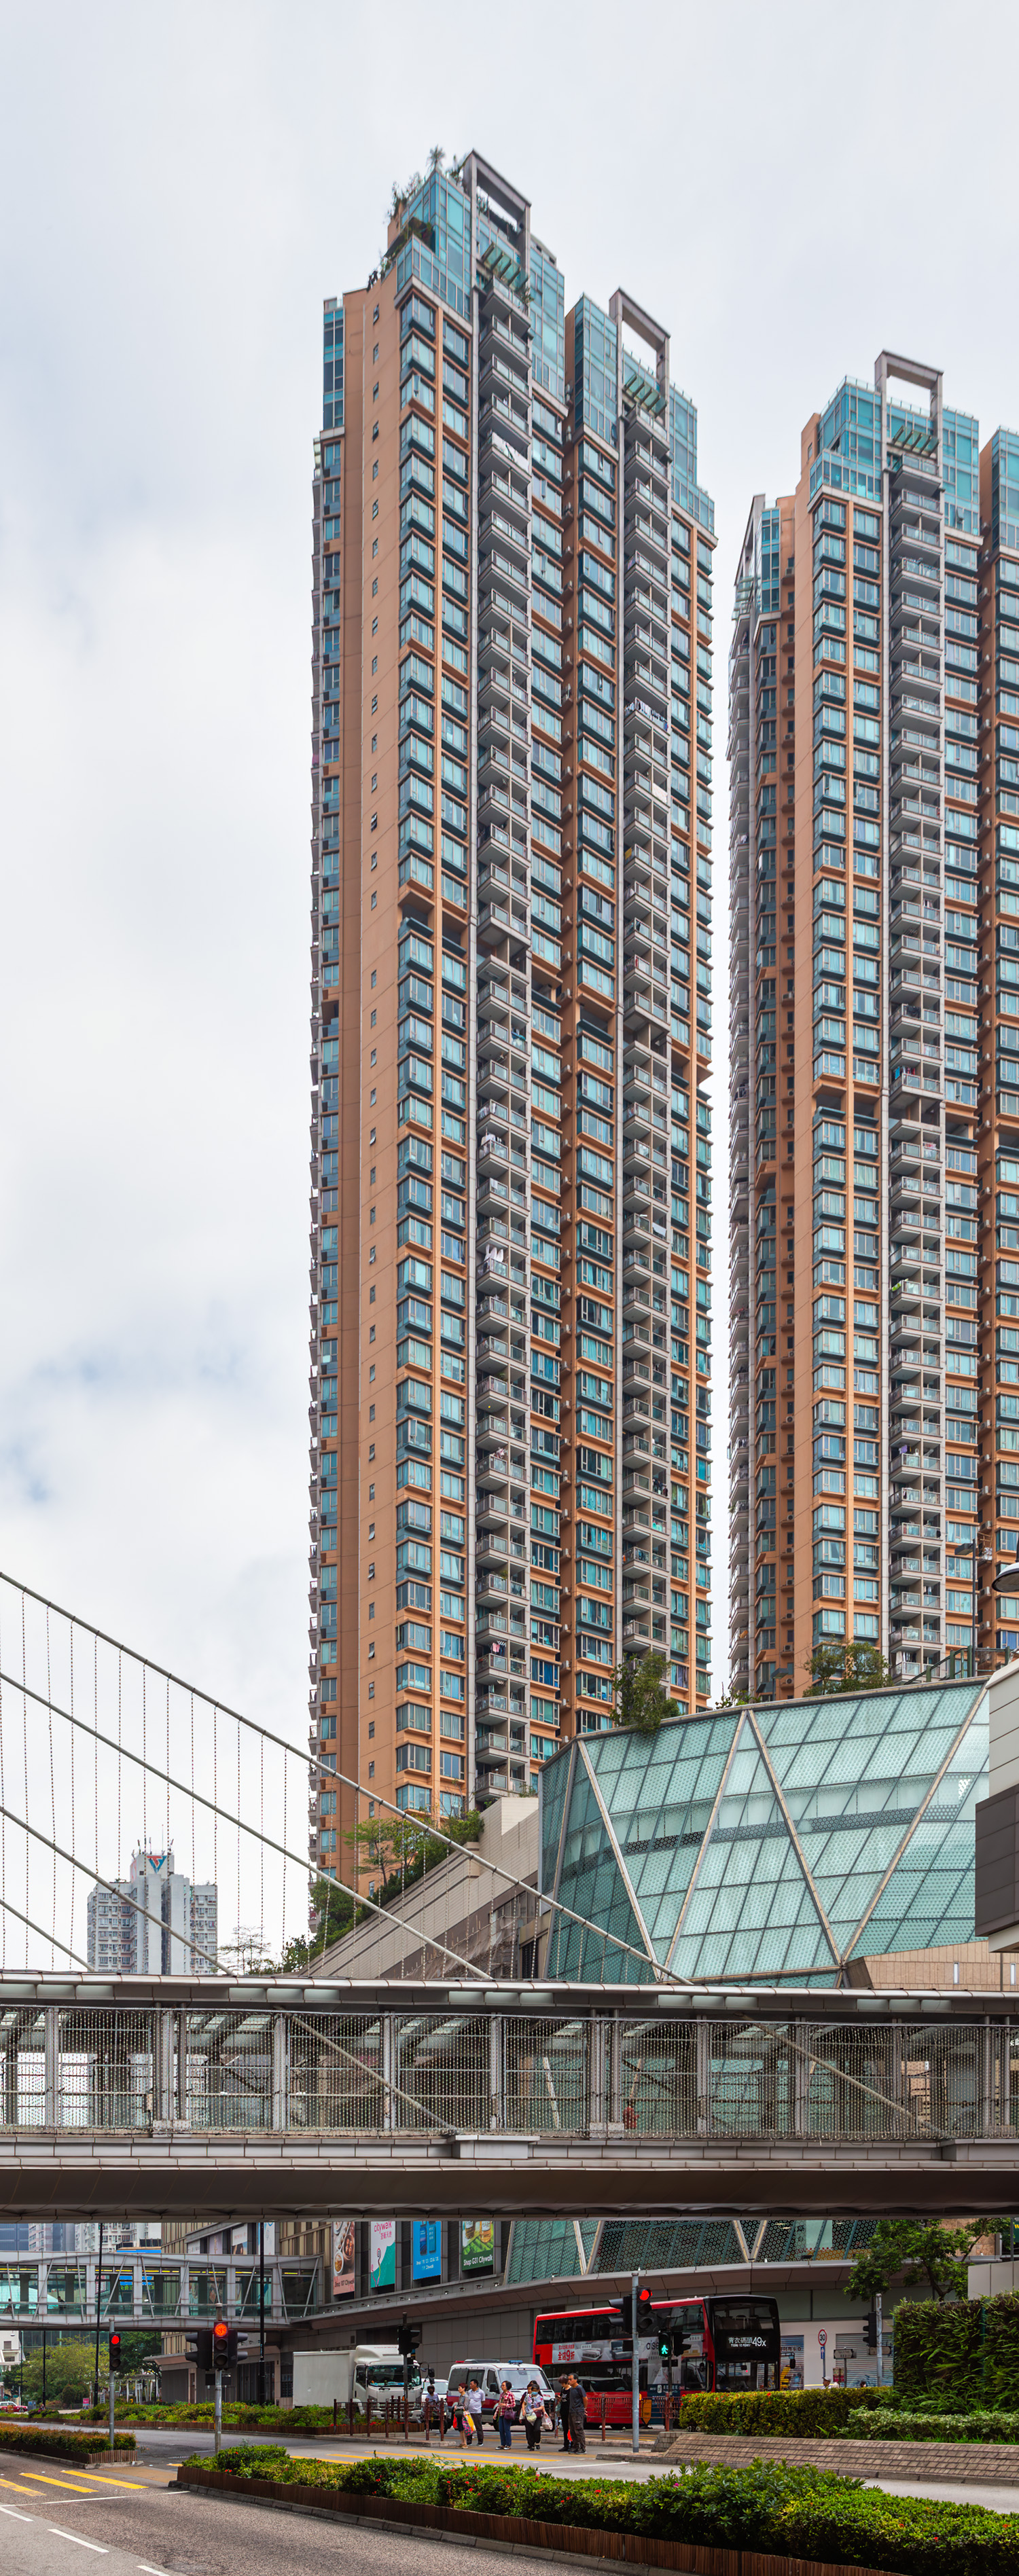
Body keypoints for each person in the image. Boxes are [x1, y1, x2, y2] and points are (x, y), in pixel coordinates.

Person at [522, 2382, 548, 2452]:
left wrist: (537, 2409)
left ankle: (538, 2441)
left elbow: (542, 2407)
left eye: (536, 2391)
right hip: (529, 2415)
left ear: (538, 2391)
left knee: (537, 2429)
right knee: (529, 2430)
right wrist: (524, 2410)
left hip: (537, 2416)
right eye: (533, 2391)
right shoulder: (528, 2397)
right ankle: (531, 2445)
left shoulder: (541, 2398)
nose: (534, 2392)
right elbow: (524, 2404)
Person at [567, 2376, 587, 2455]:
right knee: (572, 2430)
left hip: (578, 2412)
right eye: (568, 2380)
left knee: (579, 2430)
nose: (569, 2381)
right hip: (571, 2412)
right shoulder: (571, 2389)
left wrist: (584, 2408)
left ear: (576, 2380)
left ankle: (583, 2448)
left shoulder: (579, 2388)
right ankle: (576, 2446)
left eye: (570, 2379)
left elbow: (585, 2399)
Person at [497, 2378, 515, 2449]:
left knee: (507, 2430)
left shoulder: (510, 2394)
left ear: (507, 2387)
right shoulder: (502, 2394)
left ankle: (508, 2444)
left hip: (507, 2414)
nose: (502, 2387)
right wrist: (496, 2414)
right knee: (501, 2430)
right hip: (501, 2414)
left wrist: (505, 2405)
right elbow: (499, 2404)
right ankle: (503, 2444)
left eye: (503, 2385)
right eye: (502, 2385)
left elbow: (513, 2405)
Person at [467, 2376, 484, 2446]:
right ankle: (469, 2441)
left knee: (478, 2427)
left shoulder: (481, 2392)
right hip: (469, 2412)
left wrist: (478, 2407)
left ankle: (480, 2442)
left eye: (472, 2384)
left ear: (476, 2384)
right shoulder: (469, 2392)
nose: (470, 2385)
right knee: (469, 2427)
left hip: (477, 2412)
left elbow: (483, 2402)